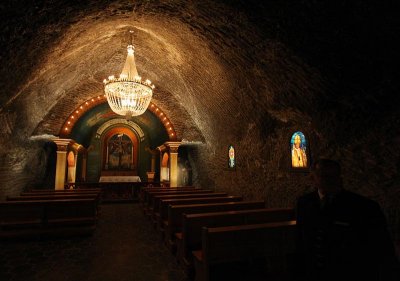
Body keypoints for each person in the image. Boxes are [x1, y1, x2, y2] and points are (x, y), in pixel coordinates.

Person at [294, 159, 399, 281]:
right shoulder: (305, 203)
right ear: (314, 178)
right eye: (324, 176)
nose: (329, 180)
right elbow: (301, 239)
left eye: (333, 176)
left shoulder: (363, 207)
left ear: (339, 177)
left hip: (348, 273)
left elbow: (380, 247)